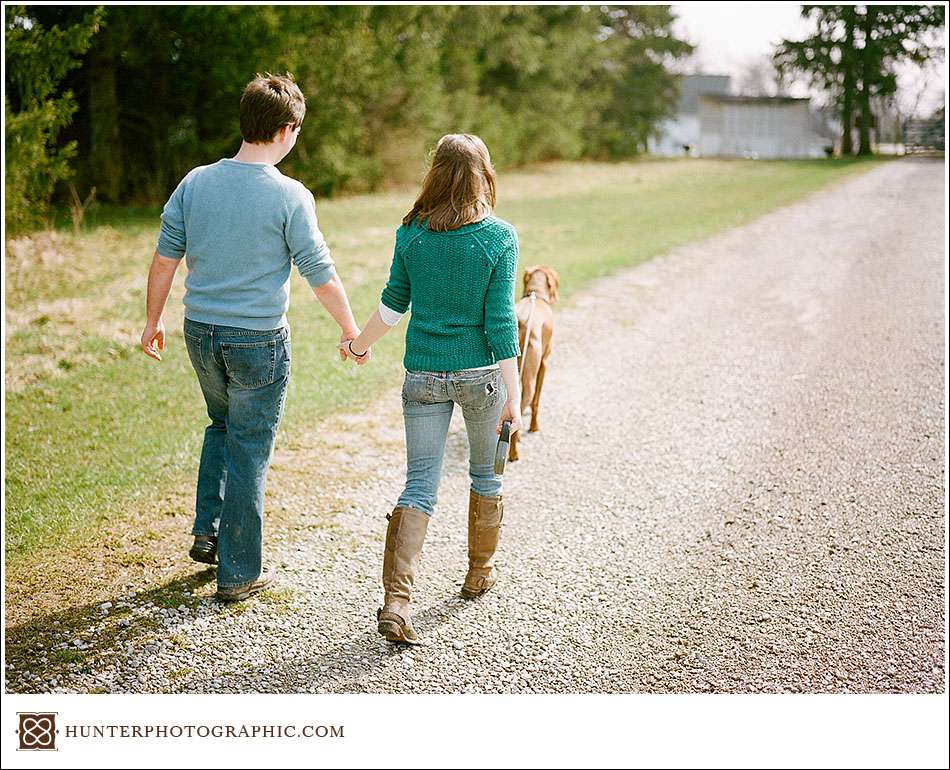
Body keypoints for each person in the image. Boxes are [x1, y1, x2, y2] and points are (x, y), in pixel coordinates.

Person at [140, 73, 362, 602]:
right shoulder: (290, 195)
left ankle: (209, 531)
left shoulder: (195, 182)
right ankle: (239, 572)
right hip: (257, 341)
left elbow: (165, 257)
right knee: (249, 445)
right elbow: (320, 273)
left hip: (200, 333)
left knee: (221, 424)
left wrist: (152, 321)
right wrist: (352, 330)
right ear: (287, 130)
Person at [341, 133, 522, 644]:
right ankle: (477, 574)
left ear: (435, 173)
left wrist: (358, 345)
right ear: (483, 173)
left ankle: (397, 601)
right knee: (486, 477)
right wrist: (517, 396)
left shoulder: (412, 234)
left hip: (422, 376)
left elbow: (393, 305)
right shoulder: (499, 237)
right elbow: (501, 323)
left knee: (419, 483)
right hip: (481, 377)